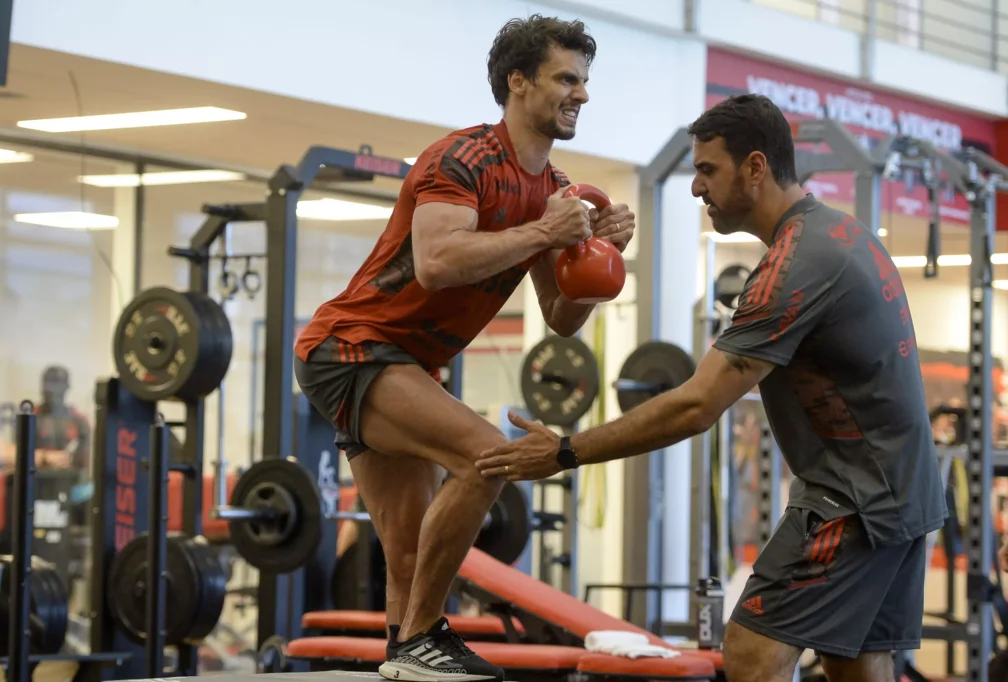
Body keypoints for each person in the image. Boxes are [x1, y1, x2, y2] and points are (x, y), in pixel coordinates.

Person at [475, 94, 949, 682]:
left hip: (850, 503)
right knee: (856, 666)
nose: (698, 189)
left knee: (752, 653)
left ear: (755, 166)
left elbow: (698, 405)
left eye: (707, 171)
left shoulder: (793, 265)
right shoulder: (844, 234)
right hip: (907, 496)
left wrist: (565, 451)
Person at [293, 14, 636, 682]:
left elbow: (561, 320)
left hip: (407, 364)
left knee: (405, 554)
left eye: (585, 81)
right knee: (491, 457)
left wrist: (601, 263)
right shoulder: (463, 159)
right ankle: (425, 634)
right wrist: (544, 231)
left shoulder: (553, 191)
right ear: (517, 82)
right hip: (350, 347)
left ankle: (407, 652)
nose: (583, 94)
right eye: (567, 78)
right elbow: (437, 261)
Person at [34, 366, 91, 471]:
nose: (50, 388)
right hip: (37, 482)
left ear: (66, 386)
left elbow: (85, 464)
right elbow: (20, 457)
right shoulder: (31, 419)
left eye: (56, 382)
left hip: (71, 483)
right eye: (46, 382)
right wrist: (45, 458)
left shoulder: (79, 421)